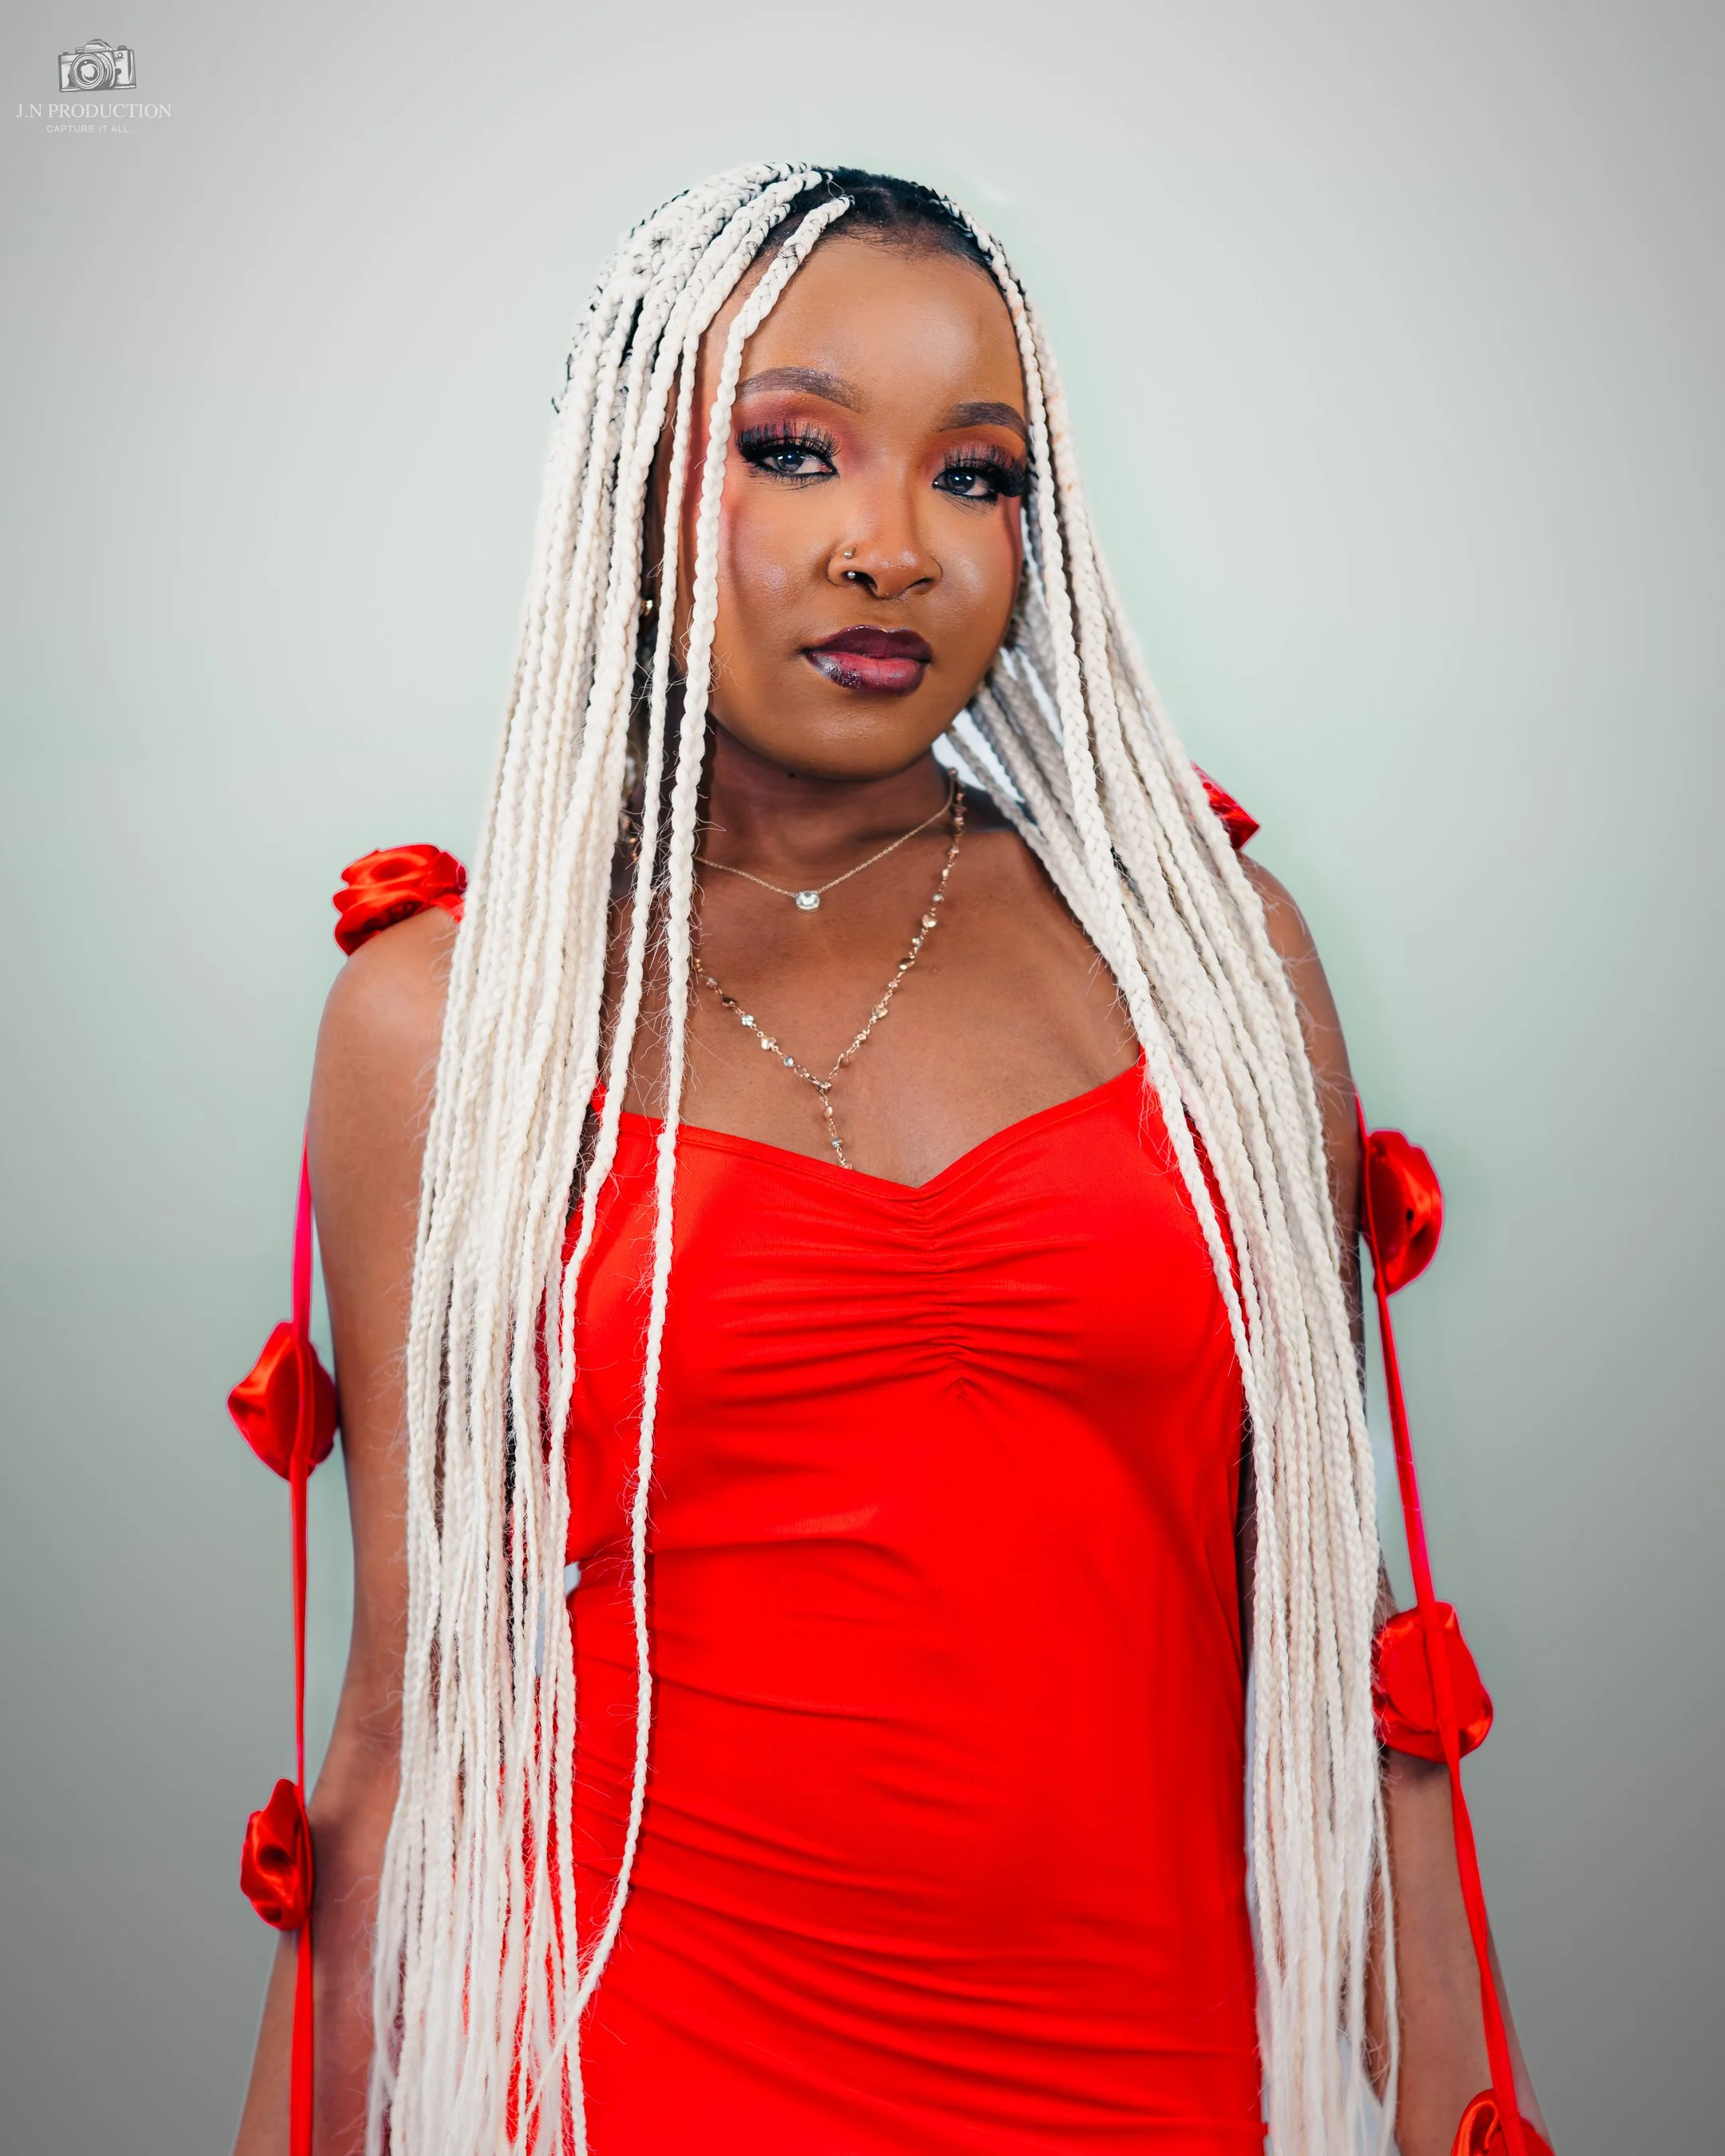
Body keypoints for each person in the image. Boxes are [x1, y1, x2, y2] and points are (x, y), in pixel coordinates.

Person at [233, 165, 1549, 2155]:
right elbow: (411, 1723)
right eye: (796, 451)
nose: (892, 549)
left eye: (977, 475)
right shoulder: (457, 1023)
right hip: (645, 2074)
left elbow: (1351, 1684)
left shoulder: (1207, 965)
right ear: (643, 495)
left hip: (1146, 2077)